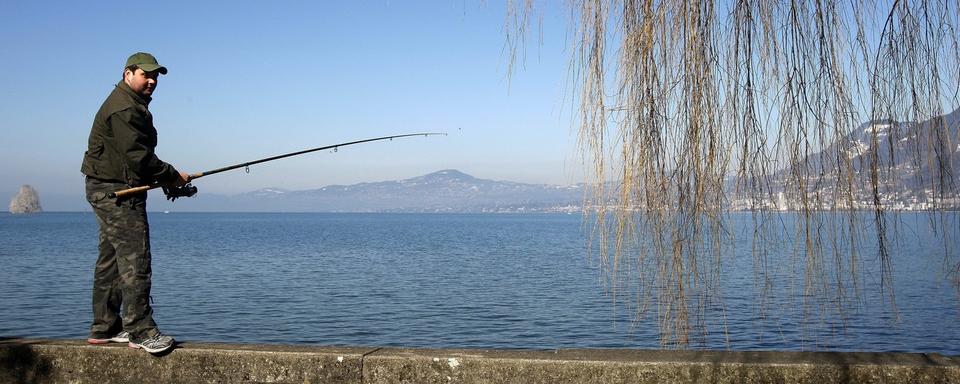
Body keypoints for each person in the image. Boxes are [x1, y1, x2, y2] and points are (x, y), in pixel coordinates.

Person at [80, 52, 190, 354]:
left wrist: (165, 178)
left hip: (109, 189)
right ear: (128, 73)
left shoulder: (128, 104)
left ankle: (105, 327)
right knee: (135, 259)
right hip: (117, 194)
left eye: (156, 76)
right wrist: (172, 175)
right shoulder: (124, 108)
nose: (152, 81)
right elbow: (138, 158)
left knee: (112, 260)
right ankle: (140, 330)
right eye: (146, 75)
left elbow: (132, 159)